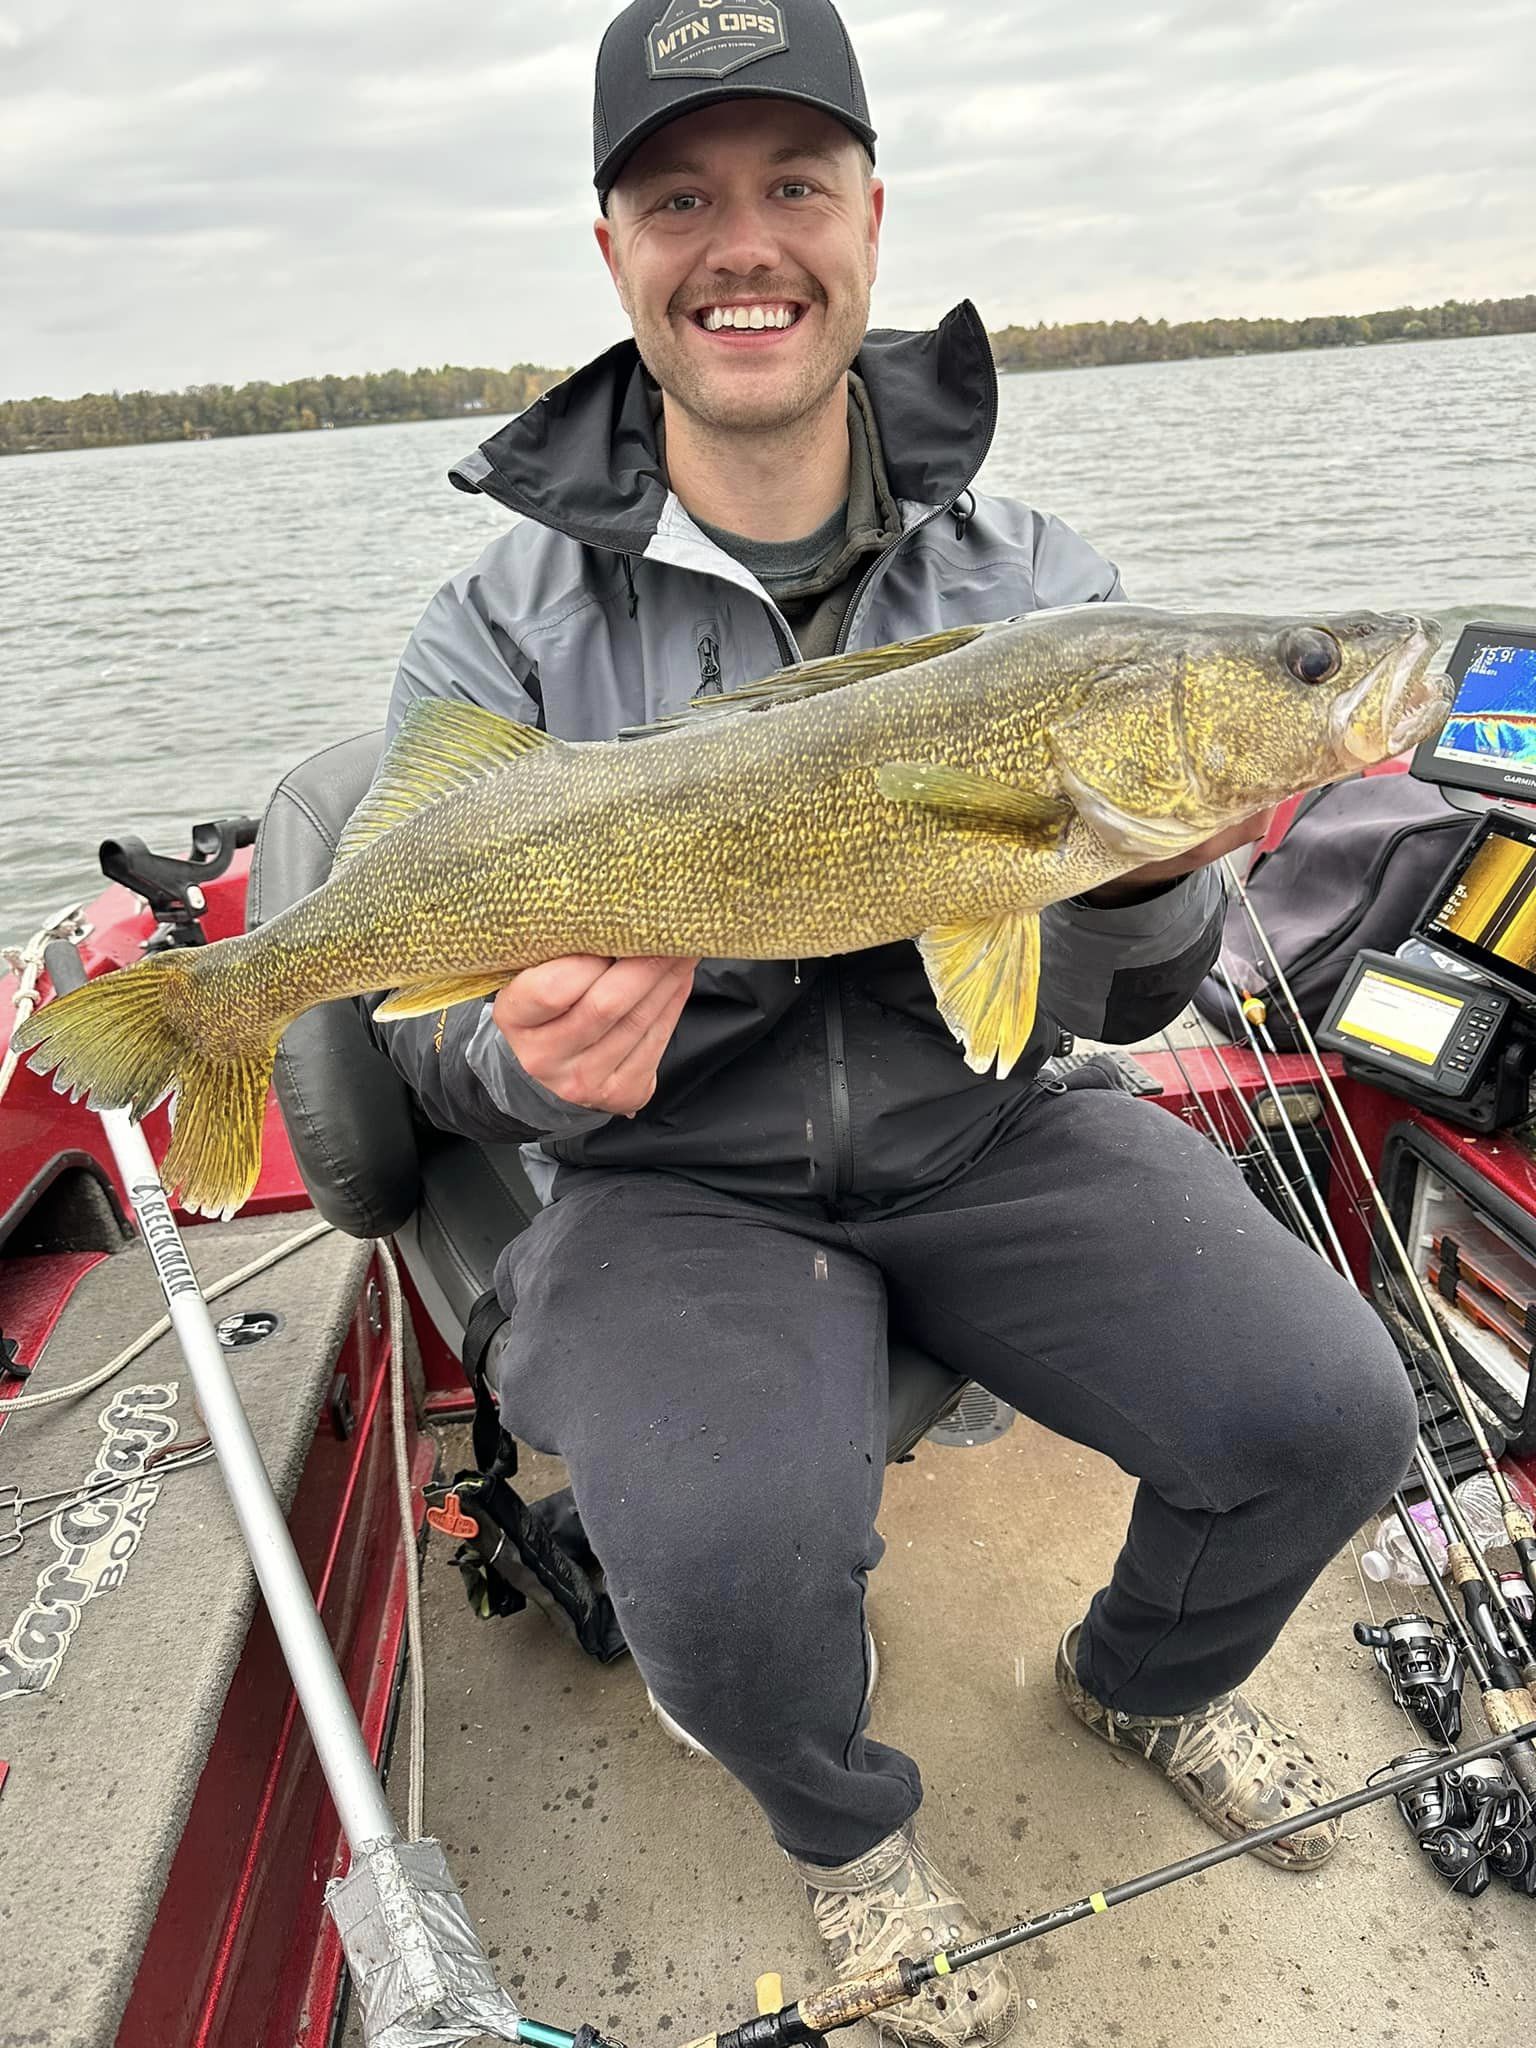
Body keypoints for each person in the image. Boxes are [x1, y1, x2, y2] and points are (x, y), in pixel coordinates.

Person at [372, 4, 1418, 2042]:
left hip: (991, 1124)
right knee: (732, 1566)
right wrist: (518, 1061)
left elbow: (1140, 992)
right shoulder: (493, 629)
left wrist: (1139, 877)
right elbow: (420, 1022)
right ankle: (845, 1832)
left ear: (870, 216)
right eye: (682, 196)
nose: (739, 241)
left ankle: (1144, 1681)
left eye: (790, 185)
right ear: (613, 249)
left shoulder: (1048, 588)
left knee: (1335, 1412)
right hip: (673, 1172)